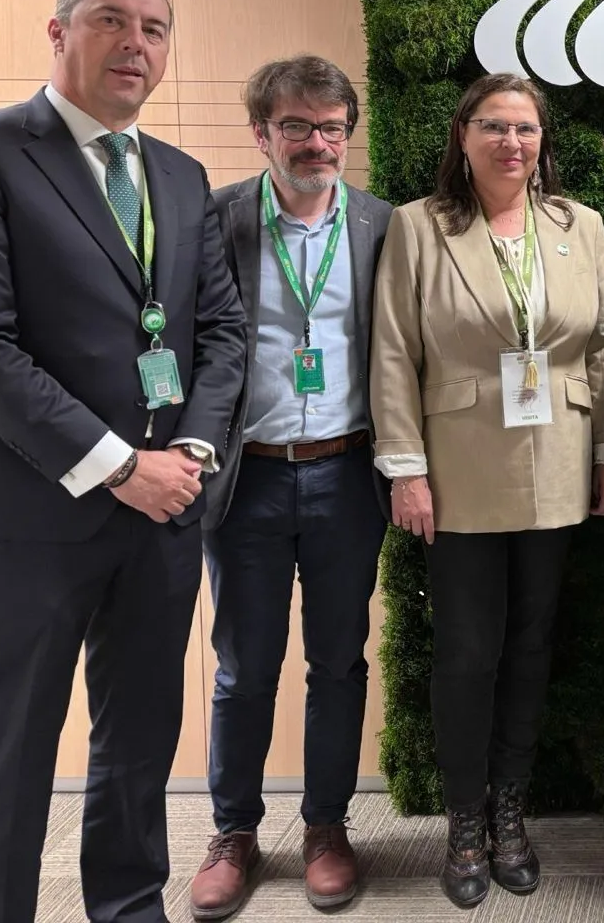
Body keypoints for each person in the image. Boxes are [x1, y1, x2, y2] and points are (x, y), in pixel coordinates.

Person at [0, 0, 247, 923]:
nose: (136, 45)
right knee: (8, 750)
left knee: (138, 744)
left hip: (163, 513)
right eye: (112, 22)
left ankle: (129, 909)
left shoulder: (179, 174)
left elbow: (221, 334)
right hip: (34, 511)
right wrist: (119, 466)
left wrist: (191, 456)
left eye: (156, 29)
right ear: (58, 32)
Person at [370, 71, 604, 909]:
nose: (511, 143)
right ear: (463, 135)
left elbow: (603, 350)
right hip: (458, 474)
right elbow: (395, 354)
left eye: (524, 128)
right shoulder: (418, 227)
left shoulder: (577, 225)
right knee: (468, 655)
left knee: (528, 649)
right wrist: (406, 468)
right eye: (493, 127)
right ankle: (465, 823)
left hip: (557, 465)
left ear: (541, 139)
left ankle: (511, 812)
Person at [186, 56, 393, 920]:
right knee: (243, 668)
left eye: (332, 127)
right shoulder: (217, 219)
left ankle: (326, 827)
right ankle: (233, 832)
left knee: (339, 665)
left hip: (347, 473)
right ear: (261, 132)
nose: (317, 143)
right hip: (250, 482)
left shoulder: (384, 225)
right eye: (298, 126)